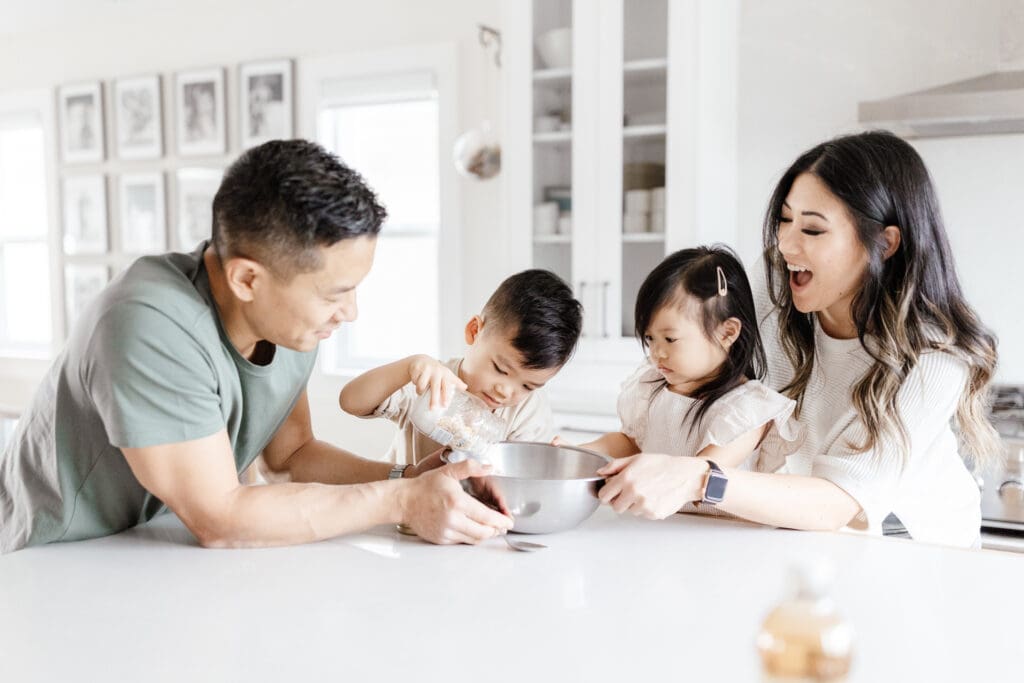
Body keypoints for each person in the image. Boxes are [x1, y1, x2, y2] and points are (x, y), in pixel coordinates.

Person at [0, 139, 513, 553]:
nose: (351, 313)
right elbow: (219, 517)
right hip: (44, 556)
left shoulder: (289, 322)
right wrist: (402, 500)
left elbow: (291, 456)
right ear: (248, 278)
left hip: (141, 550)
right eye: (335, 294)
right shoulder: (145, 325)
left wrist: (409, 476)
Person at [594, 131, 999, 549]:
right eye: (785, 220)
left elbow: (836, 501)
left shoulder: (933, 356)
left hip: (916, 546)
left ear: (884, 243)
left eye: (812, 229)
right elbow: (699, 364)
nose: (786, 244)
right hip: (813, 532)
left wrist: (698, 478)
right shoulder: (773, 282)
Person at [575, 246, 800, 517]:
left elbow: (701, 472)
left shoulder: (747, 409)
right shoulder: (651, 386)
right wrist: (576, 453)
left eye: (670, 339)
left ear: (727, 332)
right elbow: (632, 444)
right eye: (650, 339)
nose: (656, 352)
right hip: (660, 530)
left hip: (719, 539)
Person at [339, 269, 583, 467]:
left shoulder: (528, 409)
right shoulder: (431, 382)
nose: (506, 391)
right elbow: (351, 401)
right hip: (403, 512)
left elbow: (521, 477)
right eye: (500, 368)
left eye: (528, 385)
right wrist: (409, 367)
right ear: (474, 331)